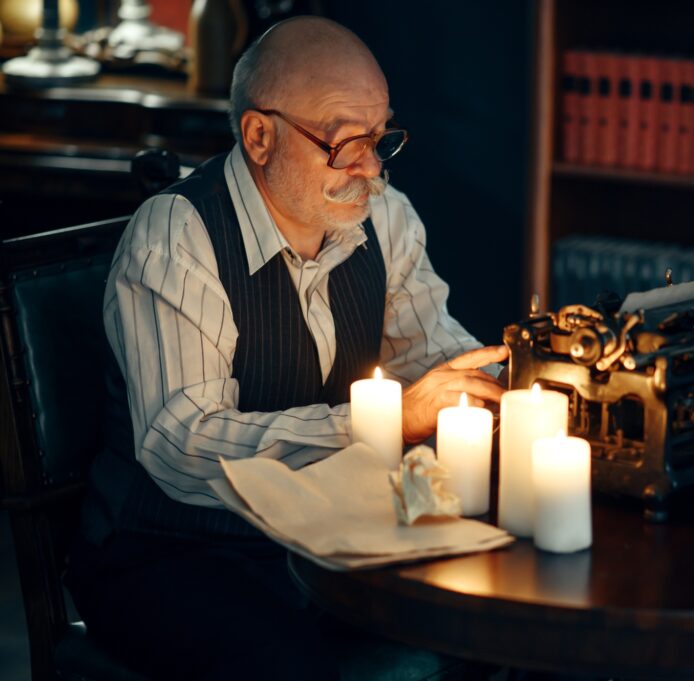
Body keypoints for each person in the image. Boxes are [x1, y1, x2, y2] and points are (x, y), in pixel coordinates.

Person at [66, 15, 507, 681]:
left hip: (325, 540)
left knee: (498, 635)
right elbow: (182, 446)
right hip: (168, 551)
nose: (369, 167)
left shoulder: (383, 215)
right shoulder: (176, 236)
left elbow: (434, 354)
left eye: (381, 137)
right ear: (259, 135)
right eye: (344, 143)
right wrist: (378, 424)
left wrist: (530, 379)